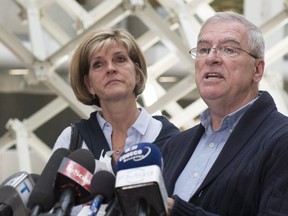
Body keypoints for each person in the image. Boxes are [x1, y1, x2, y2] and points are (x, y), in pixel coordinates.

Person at [162, 11, 288, 216]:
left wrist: (178, 212)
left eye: (228, 49)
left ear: (257, 70)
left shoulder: (282, 140)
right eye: (203, 49)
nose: (211, 58)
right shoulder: (175, 145)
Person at [52, 28, 179, 215]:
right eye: (98, 64)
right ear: (89, 85)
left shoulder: (170, 139)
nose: (111, 68)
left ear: (136, 74)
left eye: (120, 59)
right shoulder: (72, 139)